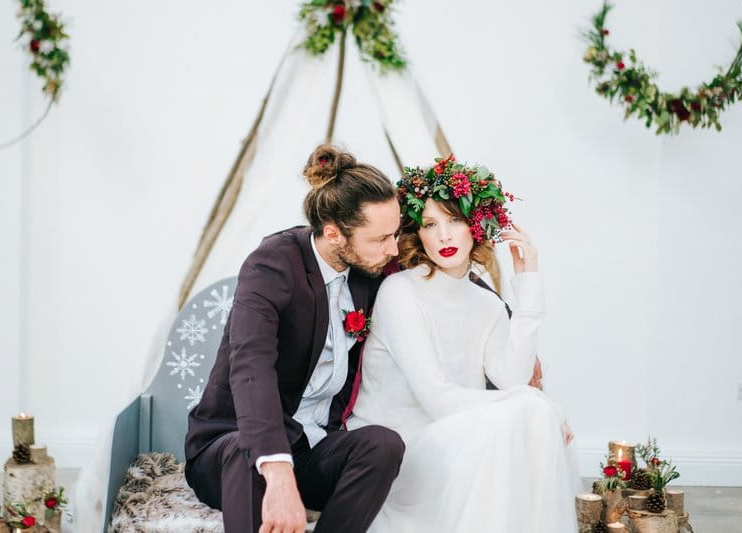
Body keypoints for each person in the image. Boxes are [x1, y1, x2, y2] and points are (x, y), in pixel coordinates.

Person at [348, 156, 579, 532]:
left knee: (531, 415)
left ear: (476, 225)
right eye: (429, 224)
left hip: (464, 438)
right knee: (527, 410)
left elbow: (511, 379)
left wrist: (528, 280)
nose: (443, 236)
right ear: (416, 234)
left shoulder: (485, 303)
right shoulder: (400, 292)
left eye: (454, 220)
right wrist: (538, 400)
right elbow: (438, 399)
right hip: (401, 449)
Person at [184, 145, 406, 533]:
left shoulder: (368, 264)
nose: (394, 248)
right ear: (335, 234)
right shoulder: (273, 263)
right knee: (246, 451)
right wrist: (277, 467)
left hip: (313, 443)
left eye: (396, 233)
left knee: (383, 445)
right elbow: (250, 364)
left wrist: (501, 317)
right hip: (232, 448)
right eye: (381, 239)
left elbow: (439, 277)